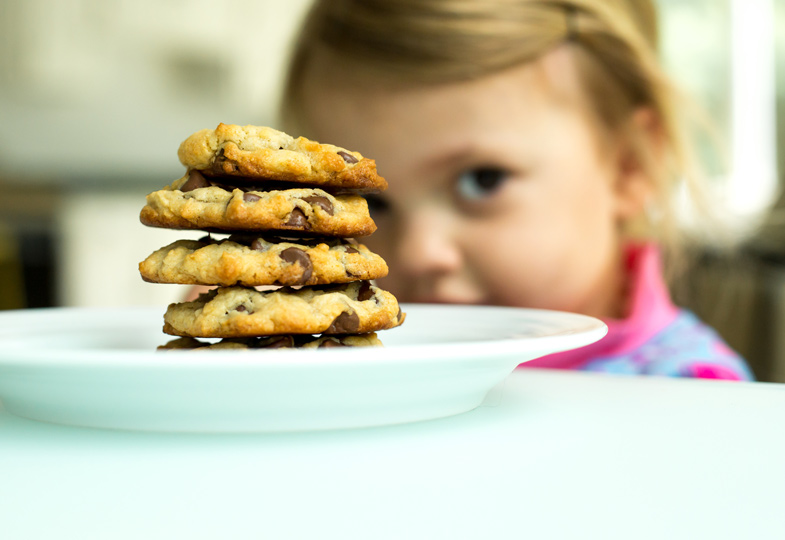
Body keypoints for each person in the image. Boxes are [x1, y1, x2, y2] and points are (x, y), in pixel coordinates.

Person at [277, 0, 753, 379]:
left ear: (628, 167)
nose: (421, 253)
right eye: (368, 203)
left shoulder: (695, 398)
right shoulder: (332, 365)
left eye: (481, 180)